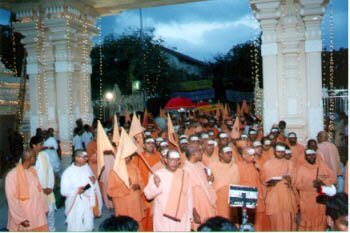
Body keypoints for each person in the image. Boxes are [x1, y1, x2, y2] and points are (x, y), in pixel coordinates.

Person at [144, 150, 193, 231]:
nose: (174, 163)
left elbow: (189, 197)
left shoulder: (184, 175)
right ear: (166, 160)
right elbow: (148, 196)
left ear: (179, 161)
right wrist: (156, 185)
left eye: (176, 160)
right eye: (171, 160)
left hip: (182, 217)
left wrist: (190, 215)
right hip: (164, 218)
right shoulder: (158, 175)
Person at [5, 149, 49, 231]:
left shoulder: (33, 171)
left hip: (38, 213)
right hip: (25, 216)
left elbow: (40, 192)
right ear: (30, 158)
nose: (36, 159)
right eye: (35, 157)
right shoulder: (12, 176)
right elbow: (11, 200)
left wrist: (45, 207)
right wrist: (20, 218)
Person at [295, 149, 337, 231]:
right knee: (308, 220)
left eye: (313, 155)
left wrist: (323, 182)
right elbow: (297, 185)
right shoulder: (301, 168)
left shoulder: (322, 165)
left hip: (320, 199)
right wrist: (312, 185)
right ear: (305, 157)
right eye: (309, 155)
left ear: (316, 155)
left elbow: (334, 179)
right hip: (307, 201)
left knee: (320, 218)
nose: (311, 157)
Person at [60, 150, 102, 231]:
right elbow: (63, 191)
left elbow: (92, 182)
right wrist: (76, 191)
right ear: (76, 158)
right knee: (75, 225)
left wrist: (94, 182)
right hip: (75, 202)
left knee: (89, 225)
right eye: (84, 157)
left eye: (87, 156)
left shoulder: (87, 168)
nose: (87, 159)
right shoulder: (68, 172)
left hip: (87, 201)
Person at [260, 143, 298, 231]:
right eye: (278, 152)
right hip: (273, 197)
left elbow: (294, 179)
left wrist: (290, 179)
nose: (280, 154)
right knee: (275, 222)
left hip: (286, 196)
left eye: (282, 152)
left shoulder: (290, 163)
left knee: (288, 220)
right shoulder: (268, 164)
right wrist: (268, 183)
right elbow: (263, 179)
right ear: (274, 152)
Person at [183, 144, 216, 230]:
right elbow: (186, 194)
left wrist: (211, 179)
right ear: (193, 154)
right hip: (197, 207)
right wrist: (193, 212)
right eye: (199, 151)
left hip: (208, 203)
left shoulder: (201, 165)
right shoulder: (185, 170)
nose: (202, 153)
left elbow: (208, 182)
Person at [107, 154, 145, 228]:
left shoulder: (135, 167)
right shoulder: (114, 171)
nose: (126, 159)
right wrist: (125, 187)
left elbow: (142, 182)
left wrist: (139, 186)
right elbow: (110, 192)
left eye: (128, 156)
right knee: (124, 226)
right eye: (124, 157)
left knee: (137, 226)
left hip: (135, 204)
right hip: (122, 206)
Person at [237, 147, 269, 231]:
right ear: (243, 156)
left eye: (254, 155)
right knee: (244, 221)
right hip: (244, 198)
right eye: (250, 155)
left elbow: (265, 180)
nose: (253, 157)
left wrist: (260, 169)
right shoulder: (238, 166)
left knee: (257, 222)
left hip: (257, 198)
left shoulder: (257, 165)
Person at [133, 137, 161, 231]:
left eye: (152, 143)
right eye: (148, 143)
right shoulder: (139, 157)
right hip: (143, 190)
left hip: (156, 190)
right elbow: (134, 173)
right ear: (144, 145)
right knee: (144, 214)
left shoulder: (159, 156)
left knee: (155, 214)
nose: (151, 144)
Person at [30, 136, 56, 232]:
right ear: (34, 146)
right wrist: (40, 189)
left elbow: (50, 170)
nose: (43, 146)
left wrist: (50, 186)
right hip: (35, 193)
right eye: (41, 144)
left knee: (51, 213)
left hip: (47, 191)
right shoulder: (26, 158)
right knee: (38, 217)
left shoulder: (44, 155)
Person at [208, 146, 239, 222]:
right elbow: (209, 183)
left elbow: (237, 184)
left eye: (231, 153)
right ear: (220, 154)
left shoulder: (234, 167)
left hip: (231, 199)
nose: (230, 155)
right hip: (218, 199)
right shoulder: (212, 166)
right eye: (227, 153)